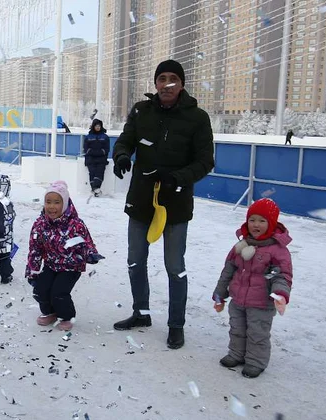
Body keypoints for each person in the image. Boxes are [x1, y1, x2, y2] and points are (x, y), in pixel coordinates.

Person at [111, 59, 214, 349]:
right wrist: (120, 155)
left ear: (182, 84)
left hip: (175, 202)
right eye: (162, 78)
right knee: (135, 260)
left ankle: (176, 325)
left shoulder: (197, 118)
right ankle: (141, 313)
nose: (167, 84)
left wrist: (177, 178)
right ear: (155, 83)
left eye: (173, 79)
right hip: (141, 198)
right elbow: (125, 140)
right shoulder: (141, 111)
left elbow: (206, 161)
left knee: (174, 266)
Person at [213, 198, 293, 378]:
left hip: (261, 302)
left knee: (257, 333)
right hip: (238, 299)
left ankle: (256, 361)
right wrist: (219, 294)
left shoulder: (277, 250)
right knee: (237, 329)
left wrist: (280, 294)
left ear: (271, 223)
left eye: (262, 221)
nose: (256, 224)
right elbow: (228, 270)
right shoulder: (241, 246)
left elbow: (282, 275)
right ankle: (236, 354)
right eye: (252, 220)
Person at [26, 181, 103, 331]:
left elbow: (86, 243)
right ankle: (50, 312)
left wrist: (91, 254)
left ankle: (66, 316)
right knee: (41, 289)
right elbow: (35, 248)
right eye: (48, 202)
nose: (52, 207)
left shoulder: (75, 224)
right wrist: (33, 271)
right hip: (51, 264)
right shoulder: (40, 224)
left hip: (71, 266)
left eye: (56, 202)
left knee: (59, 292)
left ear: (65, 204)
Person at [84, 119, 111, 197]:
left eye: (99, 126)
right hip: (90, 159)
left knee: (100, 172)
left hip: (101, 160)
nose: (98, 127)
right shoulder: (88, 137)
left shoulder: (105, 137)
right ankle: (95, 189)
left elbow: (106, 149)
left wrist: (99, 152)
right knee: (92, 172)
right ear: (93, 126)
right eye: (96, 126)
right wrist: (93, 152)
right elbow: (86, 149)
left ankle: (96, 188)